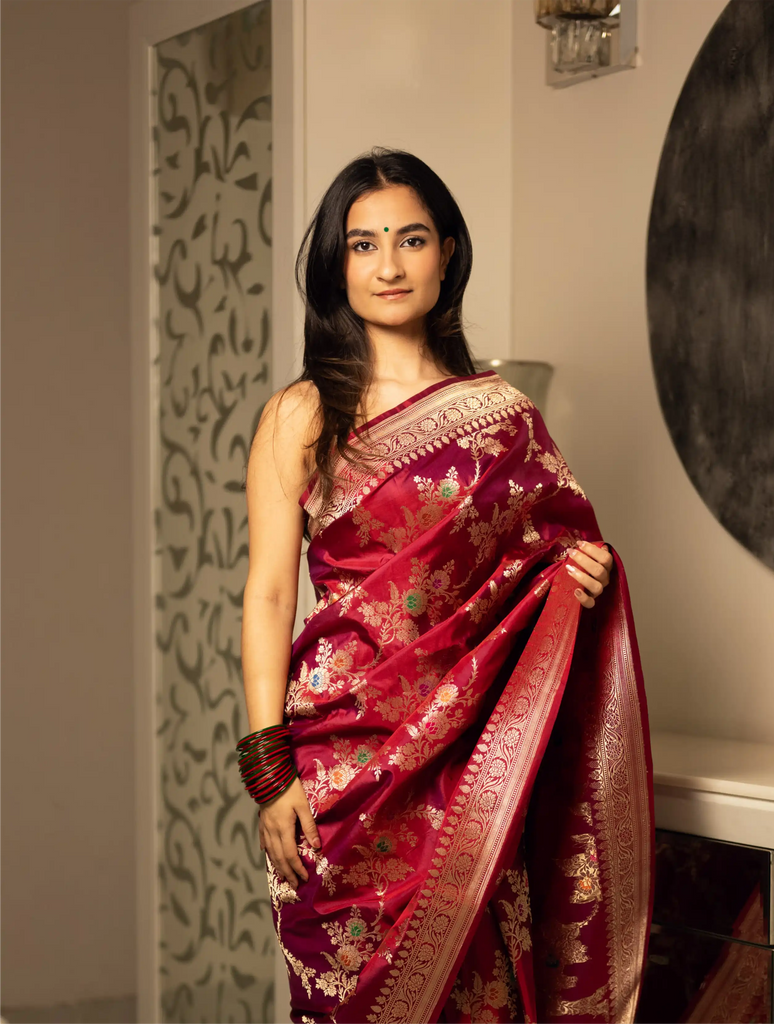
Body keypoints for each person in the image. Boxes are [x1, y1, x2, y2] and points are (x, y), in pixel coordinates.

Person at [240, 146, 653, 1024]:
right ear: (336, 265)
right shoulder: (303, 414)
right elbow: (270, 595)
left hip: (465, 772)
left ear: (449, 253)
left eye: (411, 239)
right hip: (334, 776)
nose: (388, 265)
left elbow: (555, 565)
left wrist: (584, 582)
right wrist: (269, 773)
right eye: (363, 245)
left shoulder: (503, 421)